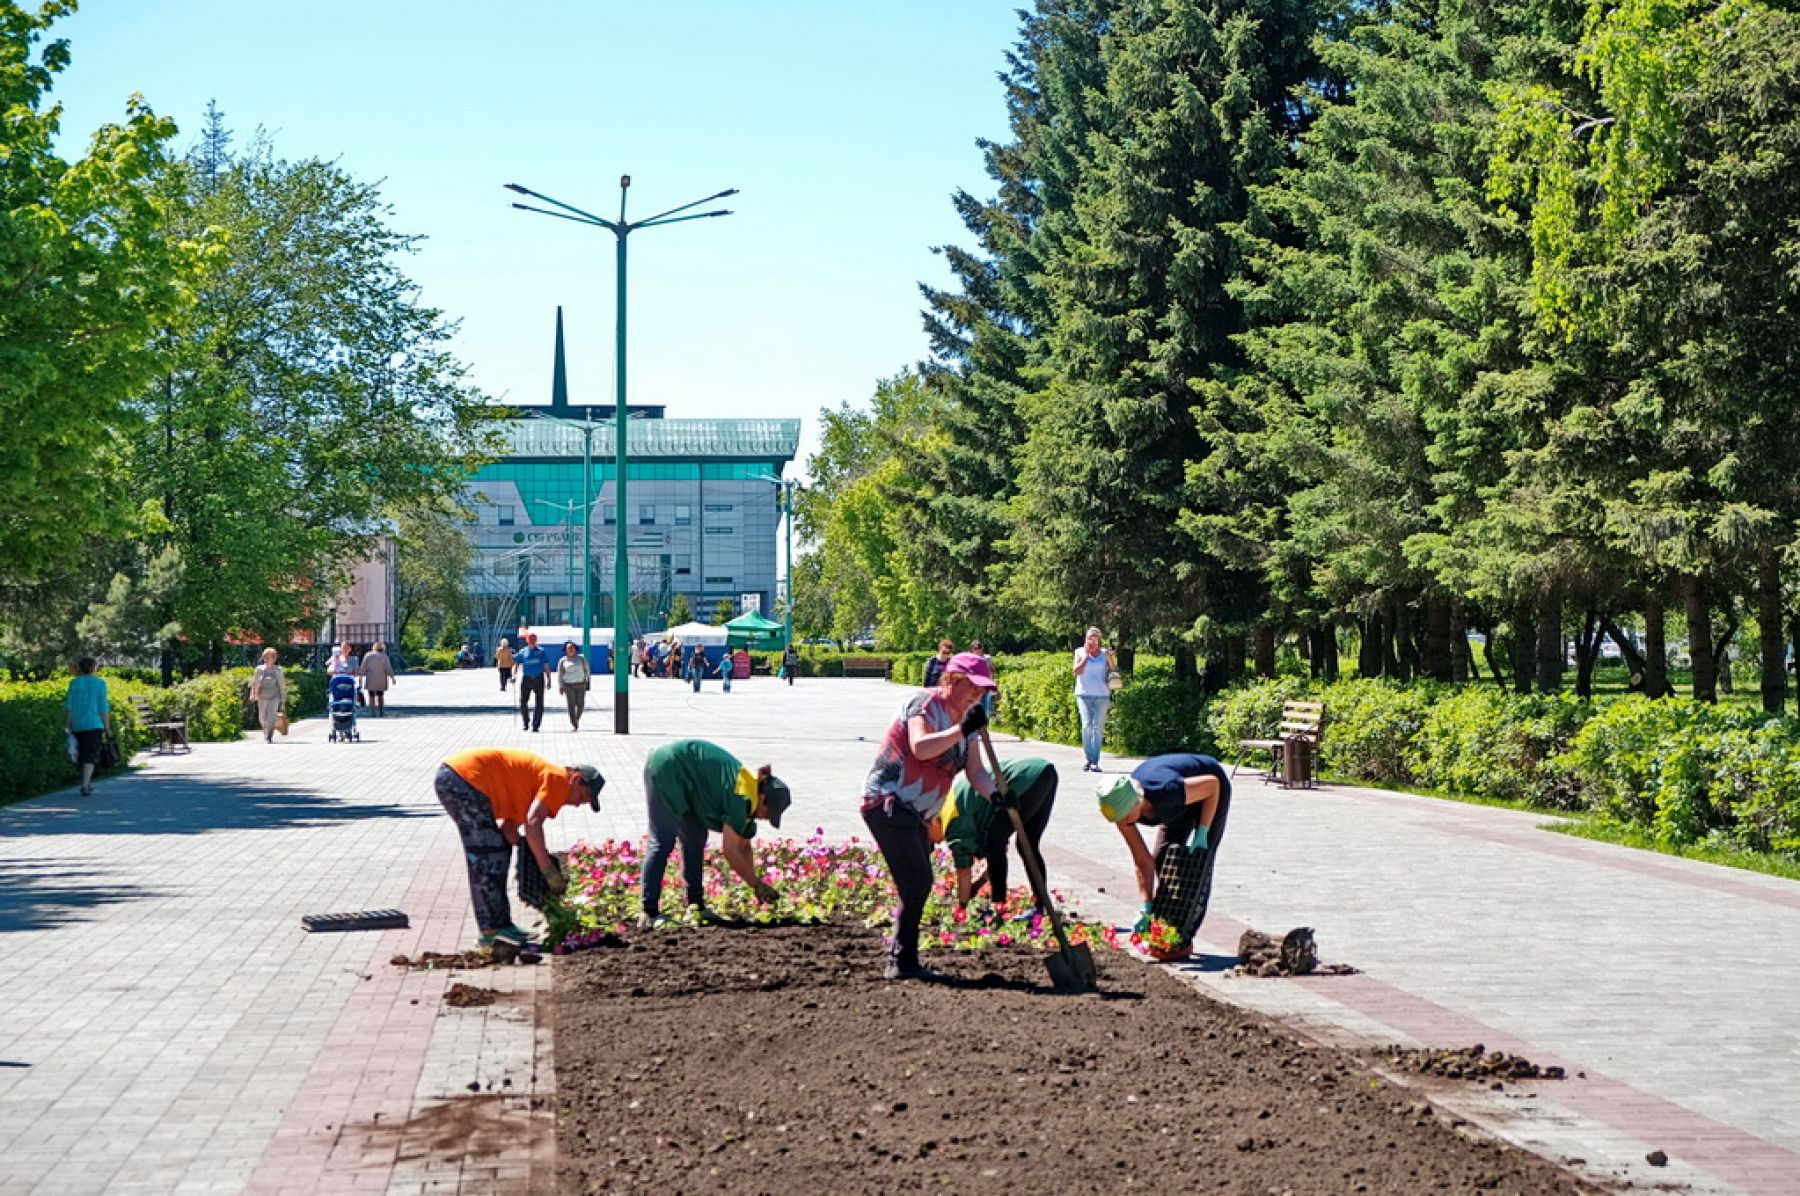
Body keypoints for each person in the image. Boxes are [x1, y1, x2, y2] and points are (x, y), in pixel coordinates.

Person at [861, 651, 998, 980]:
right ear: (952, 680)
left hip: (918, 816)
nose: (978, 695)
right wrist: (962, 731)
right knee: (918, 881)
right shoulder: (922, 704)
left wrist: (998, 796)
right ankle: (900, 961)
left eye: (983, 690)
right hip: (888, 802)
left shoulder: (969, 721)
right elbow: (921, 746)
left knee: (916, 883)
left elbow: (976, 771)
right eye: (973, 687)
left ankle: (904, 957)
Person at [435, 748, 604, 948]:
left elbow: (508, 831)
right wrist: (547, 869)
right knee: (488, 857)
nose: (578, 805)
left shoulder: (531, 787)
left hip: (456, 778)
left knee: (497, 850)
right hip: (463, 780)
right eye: (583, 797)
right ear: (576, 780)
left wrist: (526, 852)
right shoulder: (558, 779)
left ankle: (500, 925)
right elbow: (533, 823)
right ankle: (492, 930)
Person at [639, 738, 792, 926]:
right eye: (768, 814)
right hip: (667, 767)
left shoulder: (750, 795)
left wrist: (755, 884)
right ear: (763, 799)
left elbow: (743, 846)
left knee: (694, 839)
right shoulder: (742, 797)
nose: (765, 819)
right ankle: (649, 912)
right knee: (662, 841)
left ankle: (696, 907)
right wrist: (756, 884)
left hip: (690, 784)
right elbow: (730, 850)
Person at [1096, 753, 1232, 936]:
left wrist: (1202, 833)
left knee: (1200, 863)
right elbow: (1143, 860)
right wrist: (1145, 904)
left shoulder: (1166, 791)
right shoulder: (1121, 813)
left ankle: (1186, 933)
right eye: (1120, 819)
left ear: (1138, 801)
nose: (1125, 822)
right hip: (1180, 800)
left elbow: (1212, 784)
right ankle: (1168, 922)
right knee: (1162, 859)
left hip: (1210, 789)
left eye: (1127, 817)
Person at [936, 757, 1057, 910]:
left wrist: (962, 907)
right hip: (1044, 771)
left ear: (932, 820)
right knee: (1026, 844)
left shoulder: (952, 819)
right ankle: (1040, 906)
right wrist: (978, 885)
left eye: (929, 839)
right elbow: (996, 858)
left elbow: (964, 871)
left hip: (1022, 780)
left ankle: (998, 906)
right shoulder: (952, 802)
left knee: (995, 843)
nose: (936, 843)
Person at [65, 657, 111, 796]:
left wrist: (67, 724)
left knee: (81, 753)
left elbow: (69, 706)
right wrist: (107, 727)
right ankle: (85, 785)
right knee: (90, 754)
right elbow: (103, 707)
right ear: (94, 668)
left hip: (77, 723)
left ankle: (87, 782)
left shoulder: (74, 683)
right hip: (94, 723)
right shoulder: (100, 683)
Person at [1072, 626, 1116, 772]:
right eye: (1090, 639)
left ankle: (1095, 761)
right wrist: (1086, 656)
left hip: (1102, 695)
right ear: (1086, 639)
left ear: (1099, 640)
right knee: (1086, 726)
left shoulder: (1104, 653)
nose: (1092, 642)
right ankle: (1087, 758)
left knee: (1097, 728)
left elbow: (1114, 670)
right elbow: (1076, 671)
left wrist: (1109, 657)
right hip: (1083, 694)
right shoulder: (1079, 652)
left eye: (1095, 639)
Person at [249, 647, 288, 743]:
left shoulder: (278, 670)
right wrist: (253, 694)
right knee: (262, 718)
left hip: (274, 697)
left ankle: (269, 736)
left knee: (272, 716)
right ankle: (265, 730)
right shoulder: (259, 669)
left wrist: (283, 698)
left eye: (270, 657)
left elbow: (281, 685)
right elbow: (255, 683)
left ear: (274, 658)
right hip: (261, 697)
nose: (268, 659)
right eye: (266, 657)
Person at [514, 632, 550, 731]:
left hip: (538, 678)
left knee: (539, 702)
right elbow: (516, 664)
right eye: (530, 640)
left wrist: (549, 679)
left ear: (536, 640)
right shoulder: (522, 652)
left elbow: (546, 665)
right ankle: (526, 722)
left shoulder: (541, 651)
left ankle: (536, 725)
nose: (532, 642)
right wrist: (514, 675)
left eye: (534, 640)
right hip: (527, 678)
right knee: (523, 701)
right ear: (527, 641)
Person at [556, 641, 591, 731]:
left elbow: (587, 670)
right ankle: (574, 723)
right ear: (565, 650)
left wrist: (587, 681)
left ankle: (576, 719)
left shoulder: (581, 658)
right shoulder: (563, 660)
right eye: (568, 648)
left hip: (580, 683)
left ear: (575, 649)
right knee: (571, 704)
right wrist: (561, 686)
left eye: (572, 648)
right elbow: (560, 674)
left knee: (580, 704)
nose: (571, 649)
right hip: (568, 685)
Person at [358, 641, 397, 717]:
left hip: (371, 679)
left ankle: (373, 712)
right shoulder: (384, 656)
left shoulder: (368, 655)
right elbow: (388, 668)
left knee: (371, 696)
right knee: (380, 695)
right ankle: (381, 711)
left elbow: (363, 667)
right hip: (381, 679)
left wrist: (360, 677)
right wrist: (392, 678)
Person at [968, 639, 997, 719]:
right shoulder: (969, 659)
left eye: (978, 649)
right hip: (974, 688)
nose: (977, 651)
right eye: (975, 649)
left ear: (982, 649)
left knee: (986, 708)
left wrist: (994, 683)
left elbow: (993, 671)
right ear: (972, 650)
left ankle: (984, 725)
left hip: (985, 687)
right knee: (974, 708)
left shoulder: (987, 658)